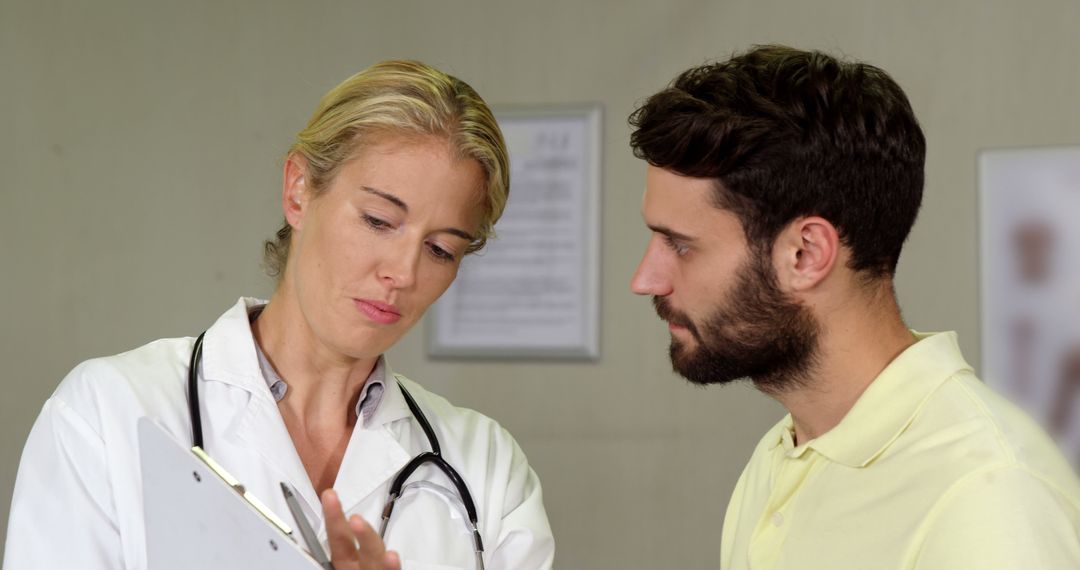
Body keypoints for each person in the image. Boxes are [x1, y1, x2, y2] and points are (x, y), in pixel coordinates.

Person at [3, 60, 554, 570]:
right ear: (298, 191)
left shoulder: (484, 469)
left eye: (441, 250)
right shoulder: (109, 412)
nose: (403, 273)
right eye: (379, 220)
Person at [628, 45, 1080, 569]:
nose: (645, 279)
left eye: (680, 245)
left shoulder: (988, 496)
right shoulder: (783, 458)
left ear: (806, 253)